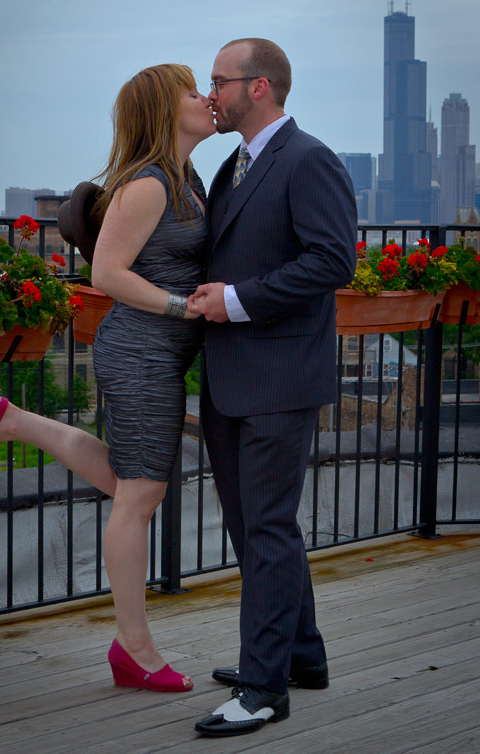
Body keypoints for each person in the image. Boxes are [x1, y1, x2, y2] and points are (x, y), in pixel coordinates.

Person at [0, 63, 216, 694]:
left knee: (135, 484)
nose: (206, 97)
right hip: (140, 353)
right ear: (163, 108)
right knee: (138, 498)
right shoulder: (149, 185)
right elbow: (107, 273)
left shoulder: (189, 181)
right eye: (191, 90)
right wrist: (186, 308)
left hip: (160, 354)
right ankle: (134, 646)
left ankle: (9, 418)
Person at [188, 38, 357, 736]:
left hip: (280, 376)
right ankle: (300, 653)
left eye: (219, 81)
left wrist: (236, 300)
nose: (210, 94)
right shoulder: (234, 162)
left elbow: (333, 260)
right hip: (233, 377)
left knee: (264, 528)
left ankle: (263, 688)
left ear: (258, 87)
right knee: (261, 527)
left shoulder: (309, 158)